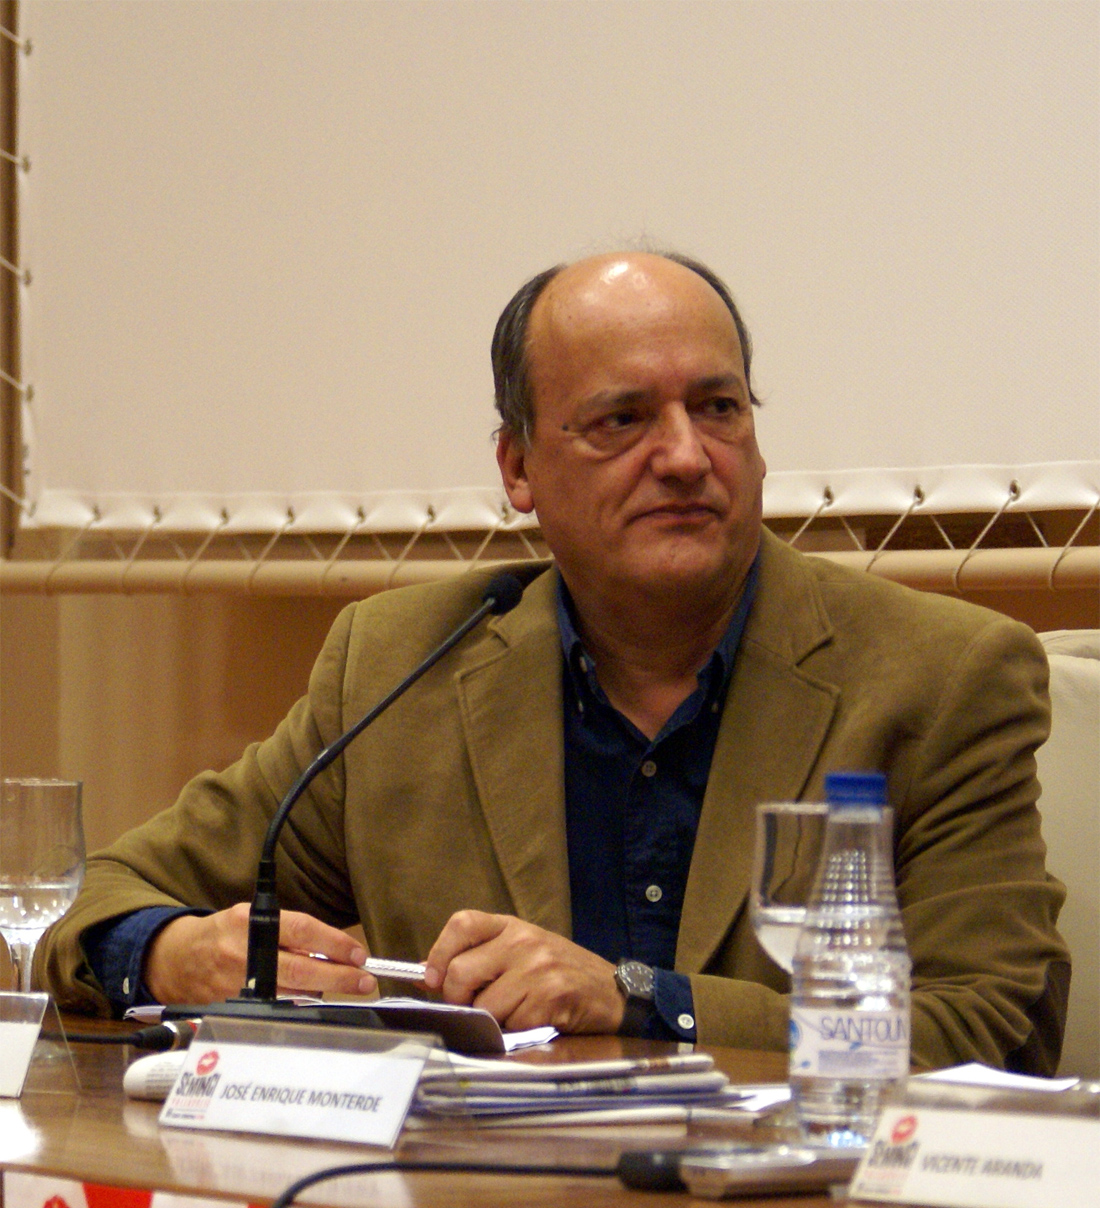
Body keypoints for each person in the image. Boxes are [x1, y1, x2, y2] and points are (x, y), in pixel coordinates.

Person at [39, 251, 1069, 1073]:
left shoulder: (941, 675)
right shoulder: (401, 664)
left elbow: (987, 1028)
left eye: (716, 408)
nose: (681, 454)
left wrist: (633, 998)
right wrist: (170, 956)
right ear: (517, 469)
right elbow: (97, 896)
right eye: (622, 420)